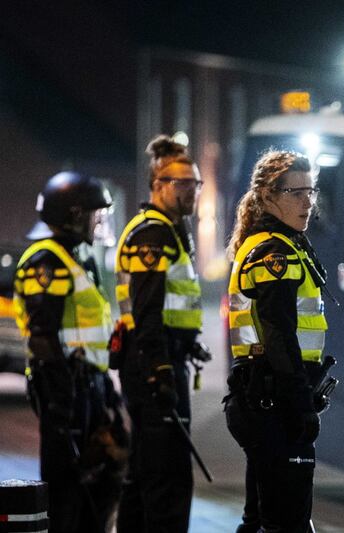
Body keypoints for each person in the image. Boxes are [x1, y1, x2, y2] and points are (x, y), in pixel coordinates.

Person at [224, 150, 330, 532]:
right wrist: (300, 404)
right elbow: (279, 334)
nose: (307, 202)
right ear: (268, 197)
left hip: (264, 398)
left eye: (311, 191)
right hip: (275, 400)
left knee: (261, 520)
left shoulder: (275, 243)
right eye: (295, 193)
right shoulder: (275, 252)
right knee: (288, 524)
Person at [13, 171, 126, 532]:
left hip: (88, 387)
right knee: (66, 490)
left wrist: (105, 389)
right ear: (75, 215)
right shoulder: (45, 262)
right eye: (95, 214)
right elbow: (43, 337)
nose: (99, 222)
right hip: (63, 389)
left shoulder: (79, 257)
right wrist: (61, 404)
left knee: (98, 482)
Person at [115, 135, 204, 533]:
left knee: (146, 473)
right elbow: (147, 311)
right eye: (183, 184)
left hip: (159, 357)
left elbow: (170, 305)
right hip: (153, 364)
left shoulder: (170, 229)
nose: (192, 192)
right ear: (158, 186)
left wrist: (189, 342)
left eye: (195, 184)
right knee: (168, 478)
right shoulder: (153, 234)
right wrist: (161, 367)